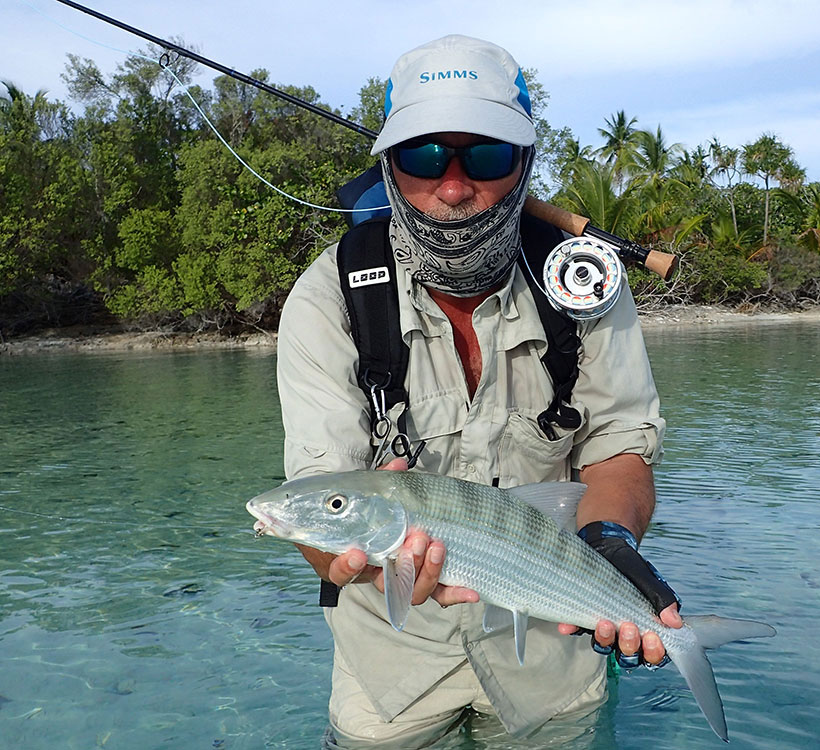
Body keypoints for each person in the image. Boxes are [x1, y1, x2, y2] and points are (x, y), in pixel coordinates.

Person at [276, 34, 681, 748]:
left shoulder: (582, 287)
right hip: (389, 671)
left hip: (552, 648)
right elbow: (318, 493)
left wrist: (610, 543)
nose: (455, 187)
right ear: (390, 166)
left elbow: (618, 448)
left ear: (524, 162)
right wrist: (352, 561)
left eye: (487, 156)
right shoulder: (327, 297)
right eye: (424, 156)